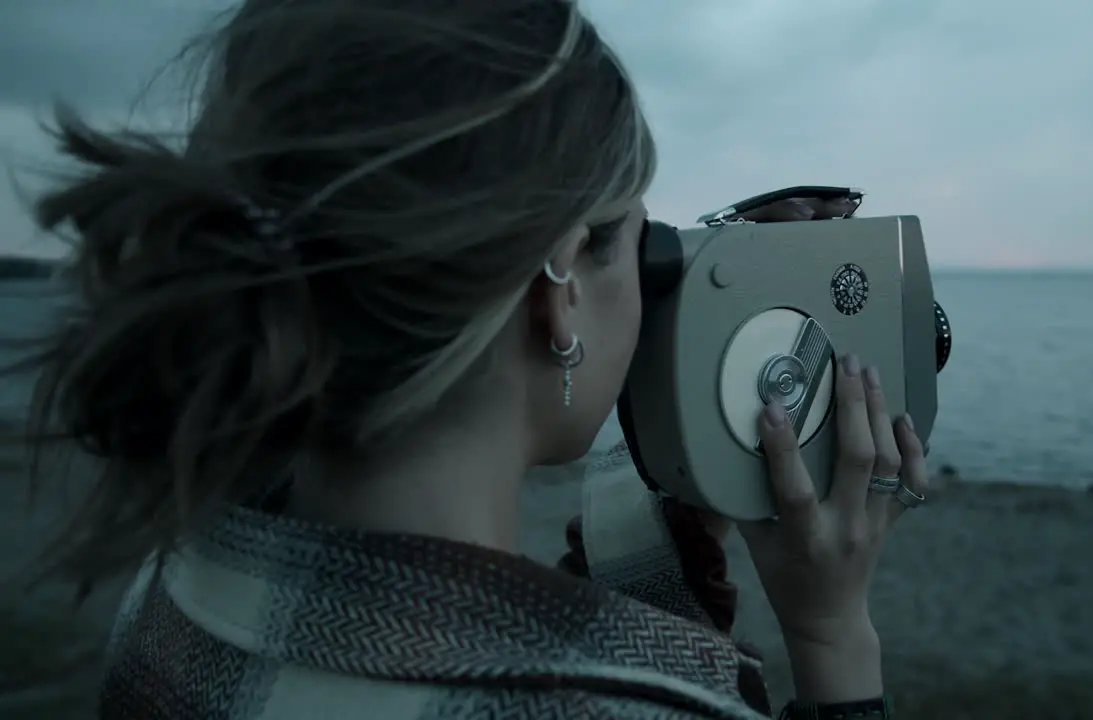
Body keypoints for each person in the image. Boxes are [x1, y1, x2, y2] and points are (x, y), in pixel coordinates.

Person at [12, 1, 929, 718]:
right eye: (634, 243)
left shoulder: (178, 590)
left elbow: (490, 641)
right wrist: (831, 634)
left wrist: (688, 492)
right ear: (560, 283)